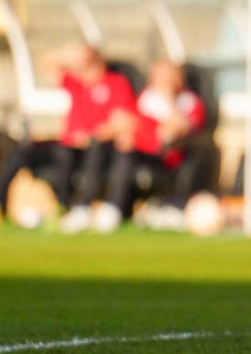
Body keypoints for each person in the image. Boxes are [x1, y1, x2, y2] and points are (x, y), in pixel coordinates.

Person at [0, 43, 134, 226]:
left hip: (93, 146)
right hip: (67, 141)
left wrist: (91, 136)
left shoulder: (115, 83)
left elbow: (122, 121)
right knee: (23, 150)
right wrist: (68, 54)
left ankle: (63, 206)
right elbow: (44, 64)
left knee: (67, 154)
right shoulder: (75, 81)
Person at [61, 59, 206, 233]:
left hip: (162, 156)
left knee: (125, 154)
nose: (159, 79)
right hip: (135, 147)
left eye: (165, 75)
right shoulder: (147, 96)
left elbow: (179, 130)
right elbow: (128, 119)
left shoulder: (188, 102)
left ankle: (113, 209)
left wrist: (168, 98)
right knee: (101, 147)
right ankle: (82, 207)